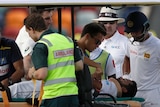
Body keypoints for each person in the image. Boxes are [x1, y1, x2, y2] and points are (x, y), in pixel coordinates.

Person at [25, 13, 82, 107]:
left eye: (28, 32)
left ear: (32, 29)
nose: (29, 36)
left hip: (54, 97)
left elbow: (41, 74)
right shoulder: (67, 40)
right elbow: (79, 66)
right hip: (72, 95)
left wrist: (32, 73)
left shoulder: (41, 45)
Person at [123, 11, 160, 107]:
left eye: (136, 31)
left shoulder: (157, 46)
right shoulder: (130, 42)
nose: (134, 35)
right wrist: (126, 75)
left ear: (145, 28)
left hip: (152, 93)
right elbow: (127, 57)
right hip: (134, 93)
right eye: (131, 32)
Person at [15, 6, 54, 80]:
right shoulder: (30, 33)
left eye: (51, 17)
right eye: (47, 18)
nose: (51, 21)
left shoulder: (35, 31)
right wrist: (29, 76)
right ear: (37, 18)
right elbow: (27, 58)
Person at [92, 7, 129, 78]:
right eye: (105, 23)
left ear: (116, 24)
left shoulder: (126, 42)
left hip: (118, 87)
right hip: (97, 86)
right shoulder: (92, 42)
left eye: (111, 23)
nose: (108, 25)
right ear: (99, 24)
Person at [76, 22, 106, 107]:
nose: (97, 46)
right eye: (97, 42)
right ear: (87, 36)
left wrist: (93, 79)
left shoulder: (85, 54)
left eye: (100, 43)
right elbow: (78, 57)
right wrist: (97, 65)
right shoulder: (73, 48)